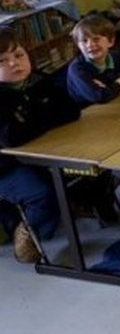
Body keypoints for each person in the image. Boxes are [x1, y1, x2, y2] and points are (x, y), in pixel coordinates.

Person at [0, 31, 80, 263]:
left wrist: (32, 119)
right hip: (6, 167)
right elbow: (11, 138)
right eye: (2, 61)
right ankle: (26, 232)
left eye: (18, 55)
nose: (14, 63)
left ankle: (63, 210)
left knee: (83, 175)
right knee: (44, 193)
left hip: (38, 153)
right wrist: (45, 115)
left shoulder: (38, 80)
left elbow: (71, 111)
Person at [66, 14, 120, 107]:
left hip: (114, 104)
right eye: (84, 41)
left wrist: (110, 89)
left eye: (96, 39)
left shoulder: (116, 57)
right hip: (89, 114)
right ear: (78, 45)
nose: (90, 45)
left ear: (110, 41)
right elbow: (100, 96)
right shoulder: (77, 69)